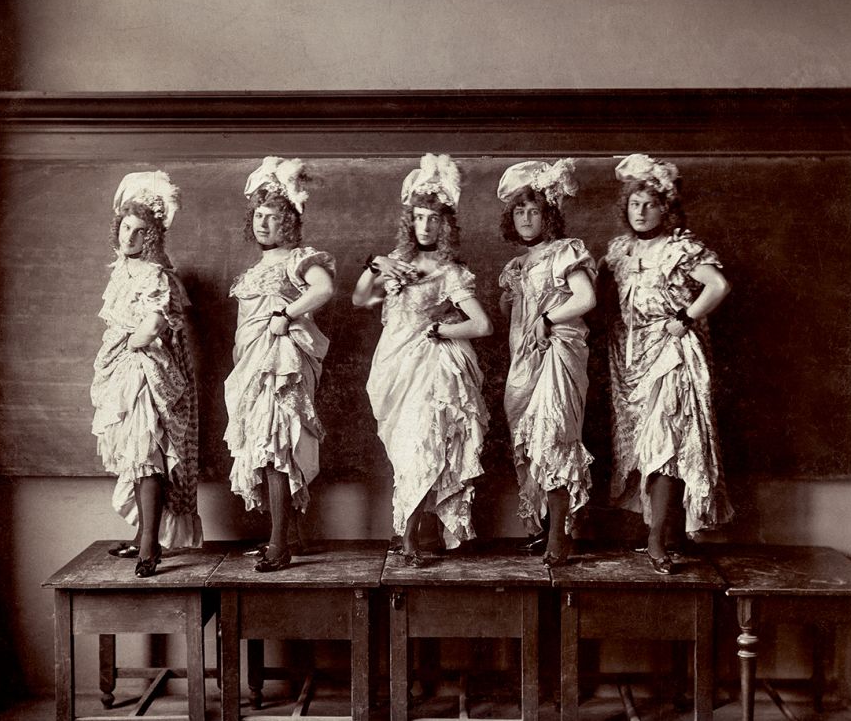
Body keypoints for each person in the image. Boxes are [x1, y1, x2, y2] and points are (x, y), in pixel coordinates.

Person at [353, 153, 492, 567]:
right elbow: (361, 299)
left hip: (431, 366)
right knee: (405, 448)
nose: (426, 225)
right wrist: (375, 264)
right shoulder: (397, 263)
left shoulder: (450, 271)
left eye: (434, 218)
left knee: (424, 444)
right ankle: (412, 532)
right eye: (419, 217)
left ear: (445, 223)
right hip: (394, 365)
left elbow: (481, 324)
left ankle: (411, 536)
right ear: (409, 221)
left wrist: (442, 330)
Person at [605, 154, 733, 574]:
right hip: (630, 353)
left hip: (673, 351)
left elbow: (718, 285)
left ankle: (657, 539)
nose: (640, 212)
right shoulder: (620, 252)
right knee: (645, 446)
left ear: (665, 206)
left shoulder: (681, 248)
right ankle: (667, 533)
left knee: (669, 443)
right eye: (634, 204)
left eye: (649, 204)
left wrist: (684, 318)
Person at [224, 156, 335, 573]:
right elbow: (245, 326)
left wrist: (287, 315)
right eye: (258, 215)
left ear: (288, 221)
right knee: (265, 447)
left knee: (278, 447)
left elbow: (323, 289)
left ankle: (279, 544)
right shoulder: (255, 270)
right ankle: (287, 535)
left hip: (283, 364)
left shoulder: (299, 259)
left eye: (272, 217)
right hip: (252, 366)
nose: (263, 223)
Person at [91, 170, 201, 578]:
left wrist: (129, 344)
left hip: (148, 369)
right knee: (136, 459)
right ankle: (143, 537)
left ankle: (151, 545)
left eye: (139, 231)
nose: (129, 237)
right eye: (125, 227)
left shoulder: (155, 274)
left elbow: (155, 324)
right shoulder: (122, 272)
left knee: (148, 455)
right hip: (125, 369)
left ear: (152, 236)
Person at [497, 159, 597, 567]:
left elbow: (586, 299)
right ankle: (541, 528)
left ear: (548, 214)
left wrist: (548, 317)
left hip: (558, 351)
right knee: (529, 441)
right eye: (519, 211)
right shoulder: (517, 265)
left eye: (533, 210)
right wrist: (512, 303)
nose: (525, 218)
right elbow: (516, 316)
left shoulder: (565, 251)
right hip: (524, 359)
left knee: (552, 434)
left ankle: (560, 536)